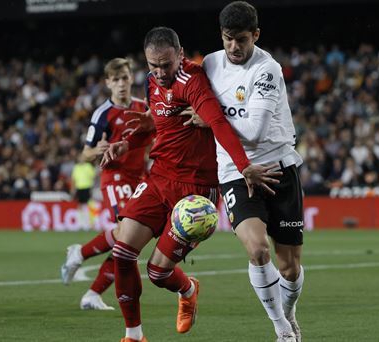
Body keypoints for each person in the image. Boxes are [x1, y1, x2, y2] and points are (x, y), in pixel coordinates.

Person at [100, 27, 281, 342]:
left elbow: (218, 122)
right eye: (153, 66)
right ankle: (133, 335)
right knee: (122, 252)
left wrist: (245, 167)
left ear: (179, 54)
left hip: (197, 188)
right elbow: (163, 122)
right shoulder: (152, 81)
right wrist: (127, 143)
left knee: (158, 272)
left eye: (165, 65)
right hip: (159, 177)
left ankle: (187, 288)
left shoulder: (193, 81)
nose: (159, 72)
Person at [188, 2, 306, 341]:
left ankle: (290, 309)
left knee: (290, 268)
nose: (234, 48)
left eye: (241, 40)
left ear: (255, 35)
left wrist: (212, 118)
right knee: (257, 250)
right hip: (235, 170)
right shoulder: (210, 63)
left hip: (278, 169)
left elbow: (254, 130)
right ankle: (282, 329)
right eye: (228, 39)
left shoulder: (267, 69)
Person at [60, 58, 152, 311]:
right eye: (116, 79)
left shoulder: (143, 108)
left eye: (125, 78)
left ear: (131, 78)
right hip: (115, 177)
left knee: (130, 242)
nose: (121, 84)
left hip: (140, 179)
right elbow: (84, 154)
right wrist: (96, 150)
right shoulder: (103, 114)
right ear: (108, 83)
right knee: (126, 235)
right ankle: (80, 254)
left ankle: (92, 293)